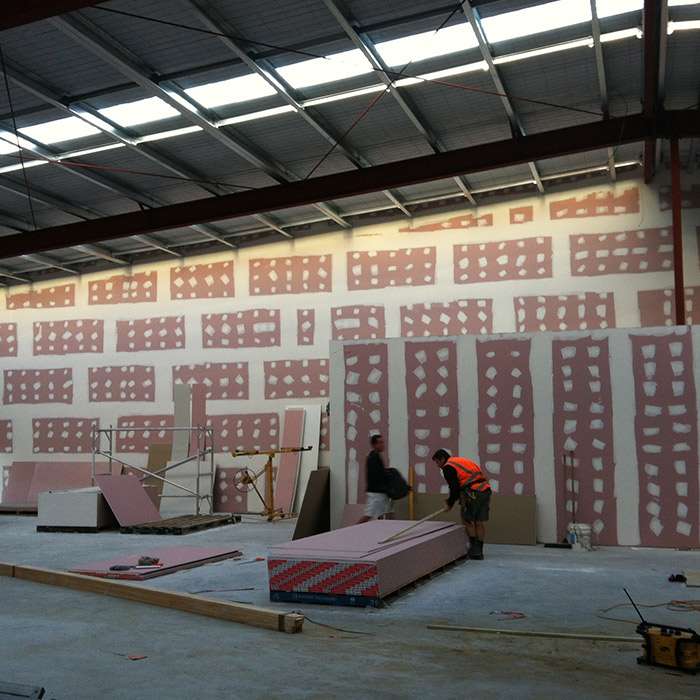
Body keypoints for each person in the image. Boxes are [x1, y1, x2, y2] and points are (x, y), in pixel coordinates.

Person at [432, 448, 492, 560]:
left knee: (468, 521)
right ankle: (479, 551)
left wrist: (449, 503)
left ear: (442, 459)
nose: (437, 465)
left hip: (472, 493)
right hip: (485, 491)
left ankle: (474, 550)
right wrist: (451, 501)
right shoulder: (459, 460)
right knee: (479, 522)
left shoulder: (448, 467)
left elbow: (454, 488)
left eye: (437, 462)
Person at [357, 434, 391, 523]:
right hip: (376, 493)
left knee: (386, 514)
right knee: (368, 515)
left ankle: (383, 532)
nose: (383, 445)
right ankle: (349, 533)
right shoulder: (373, 457)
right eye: (380, 443)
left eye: (383, 442)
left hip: (380, 492)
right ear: (374, 445)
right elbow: (376, 476)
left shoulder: (375, 456)